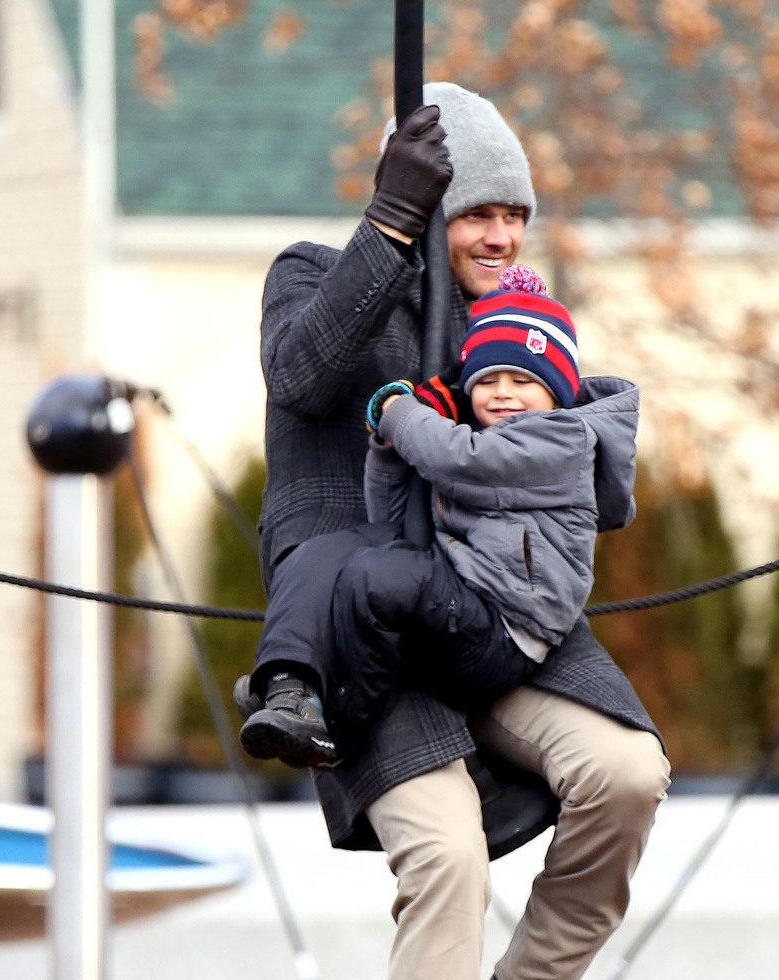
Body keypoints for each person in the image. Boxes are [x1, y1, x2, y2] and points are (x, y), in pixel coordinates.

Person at [237, 82, 671, 980]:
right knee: (443, 851)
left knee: (627, 772)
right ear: (424, 204)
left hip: (490, 616)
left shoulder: (518, 331)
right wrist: (389, 226)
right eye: (474, 211)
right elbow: (304, 374)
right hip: (371, 618)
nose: (497, 237)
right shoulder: (312, 272)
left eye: (512, 217)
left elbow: (587, 472)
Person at [239, 264, 636, 769]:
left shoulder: (563, 440)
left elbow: (461, 459)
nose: (503, 392)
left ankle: (338, 727)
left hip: (506, 630)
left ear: (558, 391)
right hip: (462, 598)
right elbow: (394, 514)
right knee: (325, 552)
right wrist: (386, 450)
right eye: (487, 379)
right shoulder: (475, 436)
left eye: (523, 380)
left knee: (376, 577)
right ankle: (287, 686)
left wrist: (402, 414)